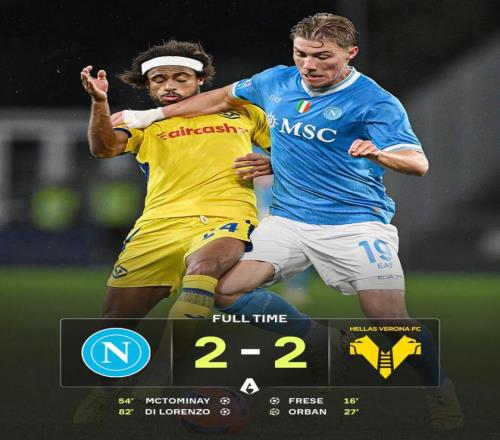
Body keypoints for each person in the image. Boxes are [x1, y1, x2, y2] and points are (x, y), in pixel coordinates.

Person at [112, 14, 463, 430]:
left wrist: (379, 154)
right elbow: (220, 98)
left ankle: (438, 388)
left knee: (387, 317)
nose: (309, 65)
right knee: (224, 290)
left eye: (322, 57)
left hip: (354, 223)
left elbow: (417, 163)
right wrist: (150, 117)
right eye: (301, 54)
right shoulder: (276, 81)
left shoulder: (375, 101)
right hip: (288, 220)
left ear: (350, 53)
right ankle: (321, 339)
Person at [75, 39, 321, 423]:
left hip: (226, 215)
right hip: (158, 225)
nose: (170, 86)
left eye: (180, 78)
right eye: (159, 80)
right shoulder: (143, 121)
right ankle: (105, 391)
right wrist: (99, 102)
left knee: (205, 269)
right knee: (116, 321)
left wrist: (274, 163)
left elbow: (299, 152)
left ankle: (162, 372)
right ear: (148, 85)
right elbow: (103, 148)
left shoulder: (243, 112)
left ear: (201, 80)